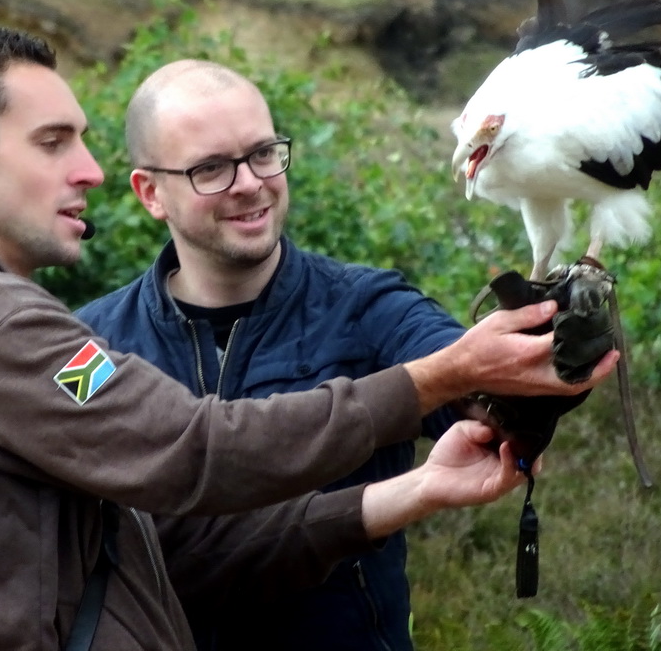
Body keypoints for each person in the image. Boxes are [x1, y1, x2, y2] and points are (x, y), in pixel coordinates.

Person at [0, 26, 619, 651]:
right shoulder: (8, 329)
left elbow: (170, 548)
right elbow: (196, 450)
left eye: (263, 154)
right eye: (53, 142)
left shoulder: (362, 304)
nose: (86, 170)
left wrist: (429, 471)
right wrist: (430, 381)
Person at [71, 60, 558, 649]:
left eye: (262, 153)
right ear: (151, 192)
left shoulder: (368, 305)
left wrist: (554, 359)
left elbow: (485, 392)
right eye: (211, 169)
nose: (249, 182)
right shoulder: (89, 345)